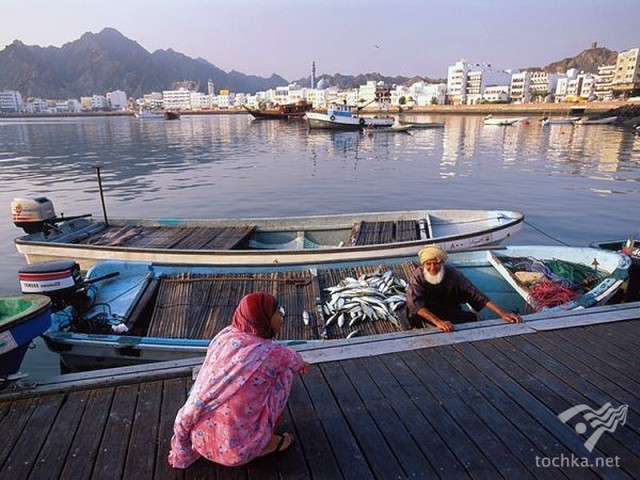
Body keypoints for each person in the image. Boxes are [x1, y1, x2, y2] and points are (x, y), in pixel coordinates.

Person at [168, 292, 309, 469]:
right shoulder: (272, 353)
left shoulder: (224, 335)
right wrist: (302, 364)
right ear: (263, 319)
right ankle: (264, 442)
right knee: (285, 374)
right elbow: (296, 361)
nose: (281, 316)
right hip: (237, 453)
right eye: (277, 312)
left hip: (199, 441)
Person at [407, 245, 521, 332]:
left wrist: (502, 313)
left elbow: (475, 294)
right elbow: (416, 304)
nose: (433, 268)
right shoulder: (417, 277)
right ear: (423, 264)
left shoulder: (453, 274)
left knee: (471, 319)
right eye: (428, 264)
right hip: (425, 311)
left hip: (446, 308)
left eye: (436, 263)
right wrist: (438, 322)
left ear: (442, 263)